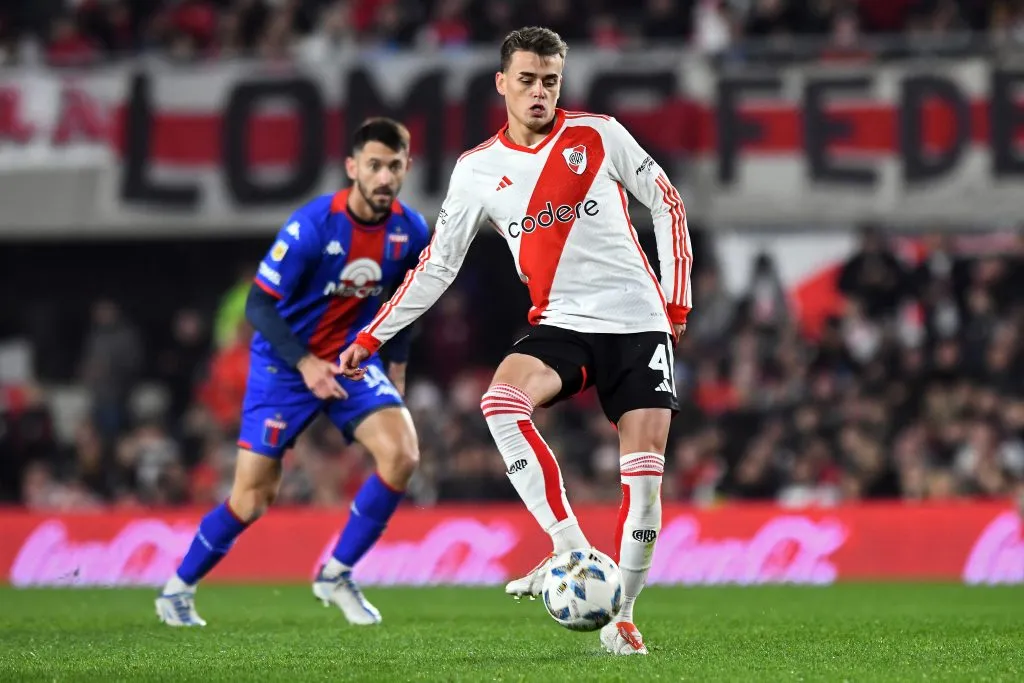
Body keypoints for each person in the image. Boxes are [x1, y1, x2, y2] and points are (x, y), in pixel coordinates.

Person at [339, 27, 692, 655]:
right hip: (562, 324)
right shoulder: (476, 171)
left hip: (638, 323)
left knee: (642, 486)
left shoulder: (599, 134)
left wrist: (675, 300)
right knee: (500, 402)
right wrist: (372, 334)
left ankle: (622, 615)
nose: (539, 92)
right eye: (526, 79)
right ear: (502, 83)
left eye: (550, 80)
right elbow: (437, 267)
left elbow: (666, 202)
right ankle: (570, 548)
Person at [156, 118, 430, 627]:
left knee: (402, 453)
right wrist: (304, 364)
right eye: (374, 165)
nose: (384, 176)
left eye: (394, 166)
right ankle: (178, 588)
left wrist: (397, 366)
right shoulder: (312, 227)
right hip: (285, 365)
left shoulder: (410, 230)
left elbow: (404, 304)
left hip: (351, 361)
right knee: (253, 497)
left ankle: (338, 572)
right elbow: (259, 305)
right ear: (353, 168)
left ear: (406, 168)